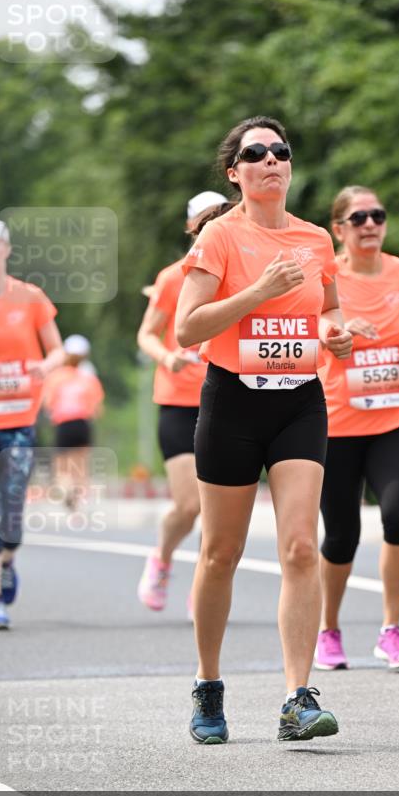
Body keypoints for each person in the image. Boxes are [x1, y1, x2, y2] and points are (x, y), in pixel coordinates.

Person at [175, 116, 352, 744]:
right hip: (232, 403)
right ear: (235, 172)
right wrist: (257, 291)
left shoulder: (316, 241)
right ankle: (208, 683)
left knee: (302, 546)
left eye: (281, 151)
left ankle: (297, 698)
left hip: (300, 400)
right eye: (256, 153)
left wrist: (336, 334)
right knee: (221, 552)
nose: (271, 160)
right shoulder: (221, 237)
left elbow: (329, 309)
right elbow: (187, 328)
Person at [315, 187, 399, 671]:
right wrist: (336, 333)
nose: (370, 224)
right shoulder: (327, 276)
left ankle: (391, 630)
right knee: (341, 536)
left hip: (396, 419)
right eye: (358, 217)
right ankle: (328, 629)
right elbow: (312, 325)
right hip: (338, 422)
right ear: (339, 228)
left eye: (377, 215)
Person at [0, 217, 63, 631]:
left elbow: (58, 350)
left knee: (10, 514)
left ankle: (7, 560)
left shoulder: (31, 297)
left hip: (20, 422)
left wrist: (45, 366)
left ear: (6, 248)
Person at [136, 192, 227, 614]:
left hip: (225, 398)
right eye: (204, 219)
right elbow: (147, 334)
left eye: (219, 217)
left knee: (217, 511)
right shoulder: (174, 277)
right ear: (192, 226)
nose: (212, 224)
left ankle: (202, 587)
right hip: (177, 402)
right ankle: (162, 557)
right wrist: (167, 356)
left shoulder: (238, 269)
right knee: (189, 504)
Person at [43, 334, 104, 509]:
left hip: (63, 423)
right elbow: (97, 409)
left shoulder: (56, 377)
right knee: (80, 465)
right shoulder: (89, 378)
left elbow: (48, 403)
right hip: (83, 424)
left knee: (61, 466)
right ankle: (76, 499)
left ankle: (66, 488)